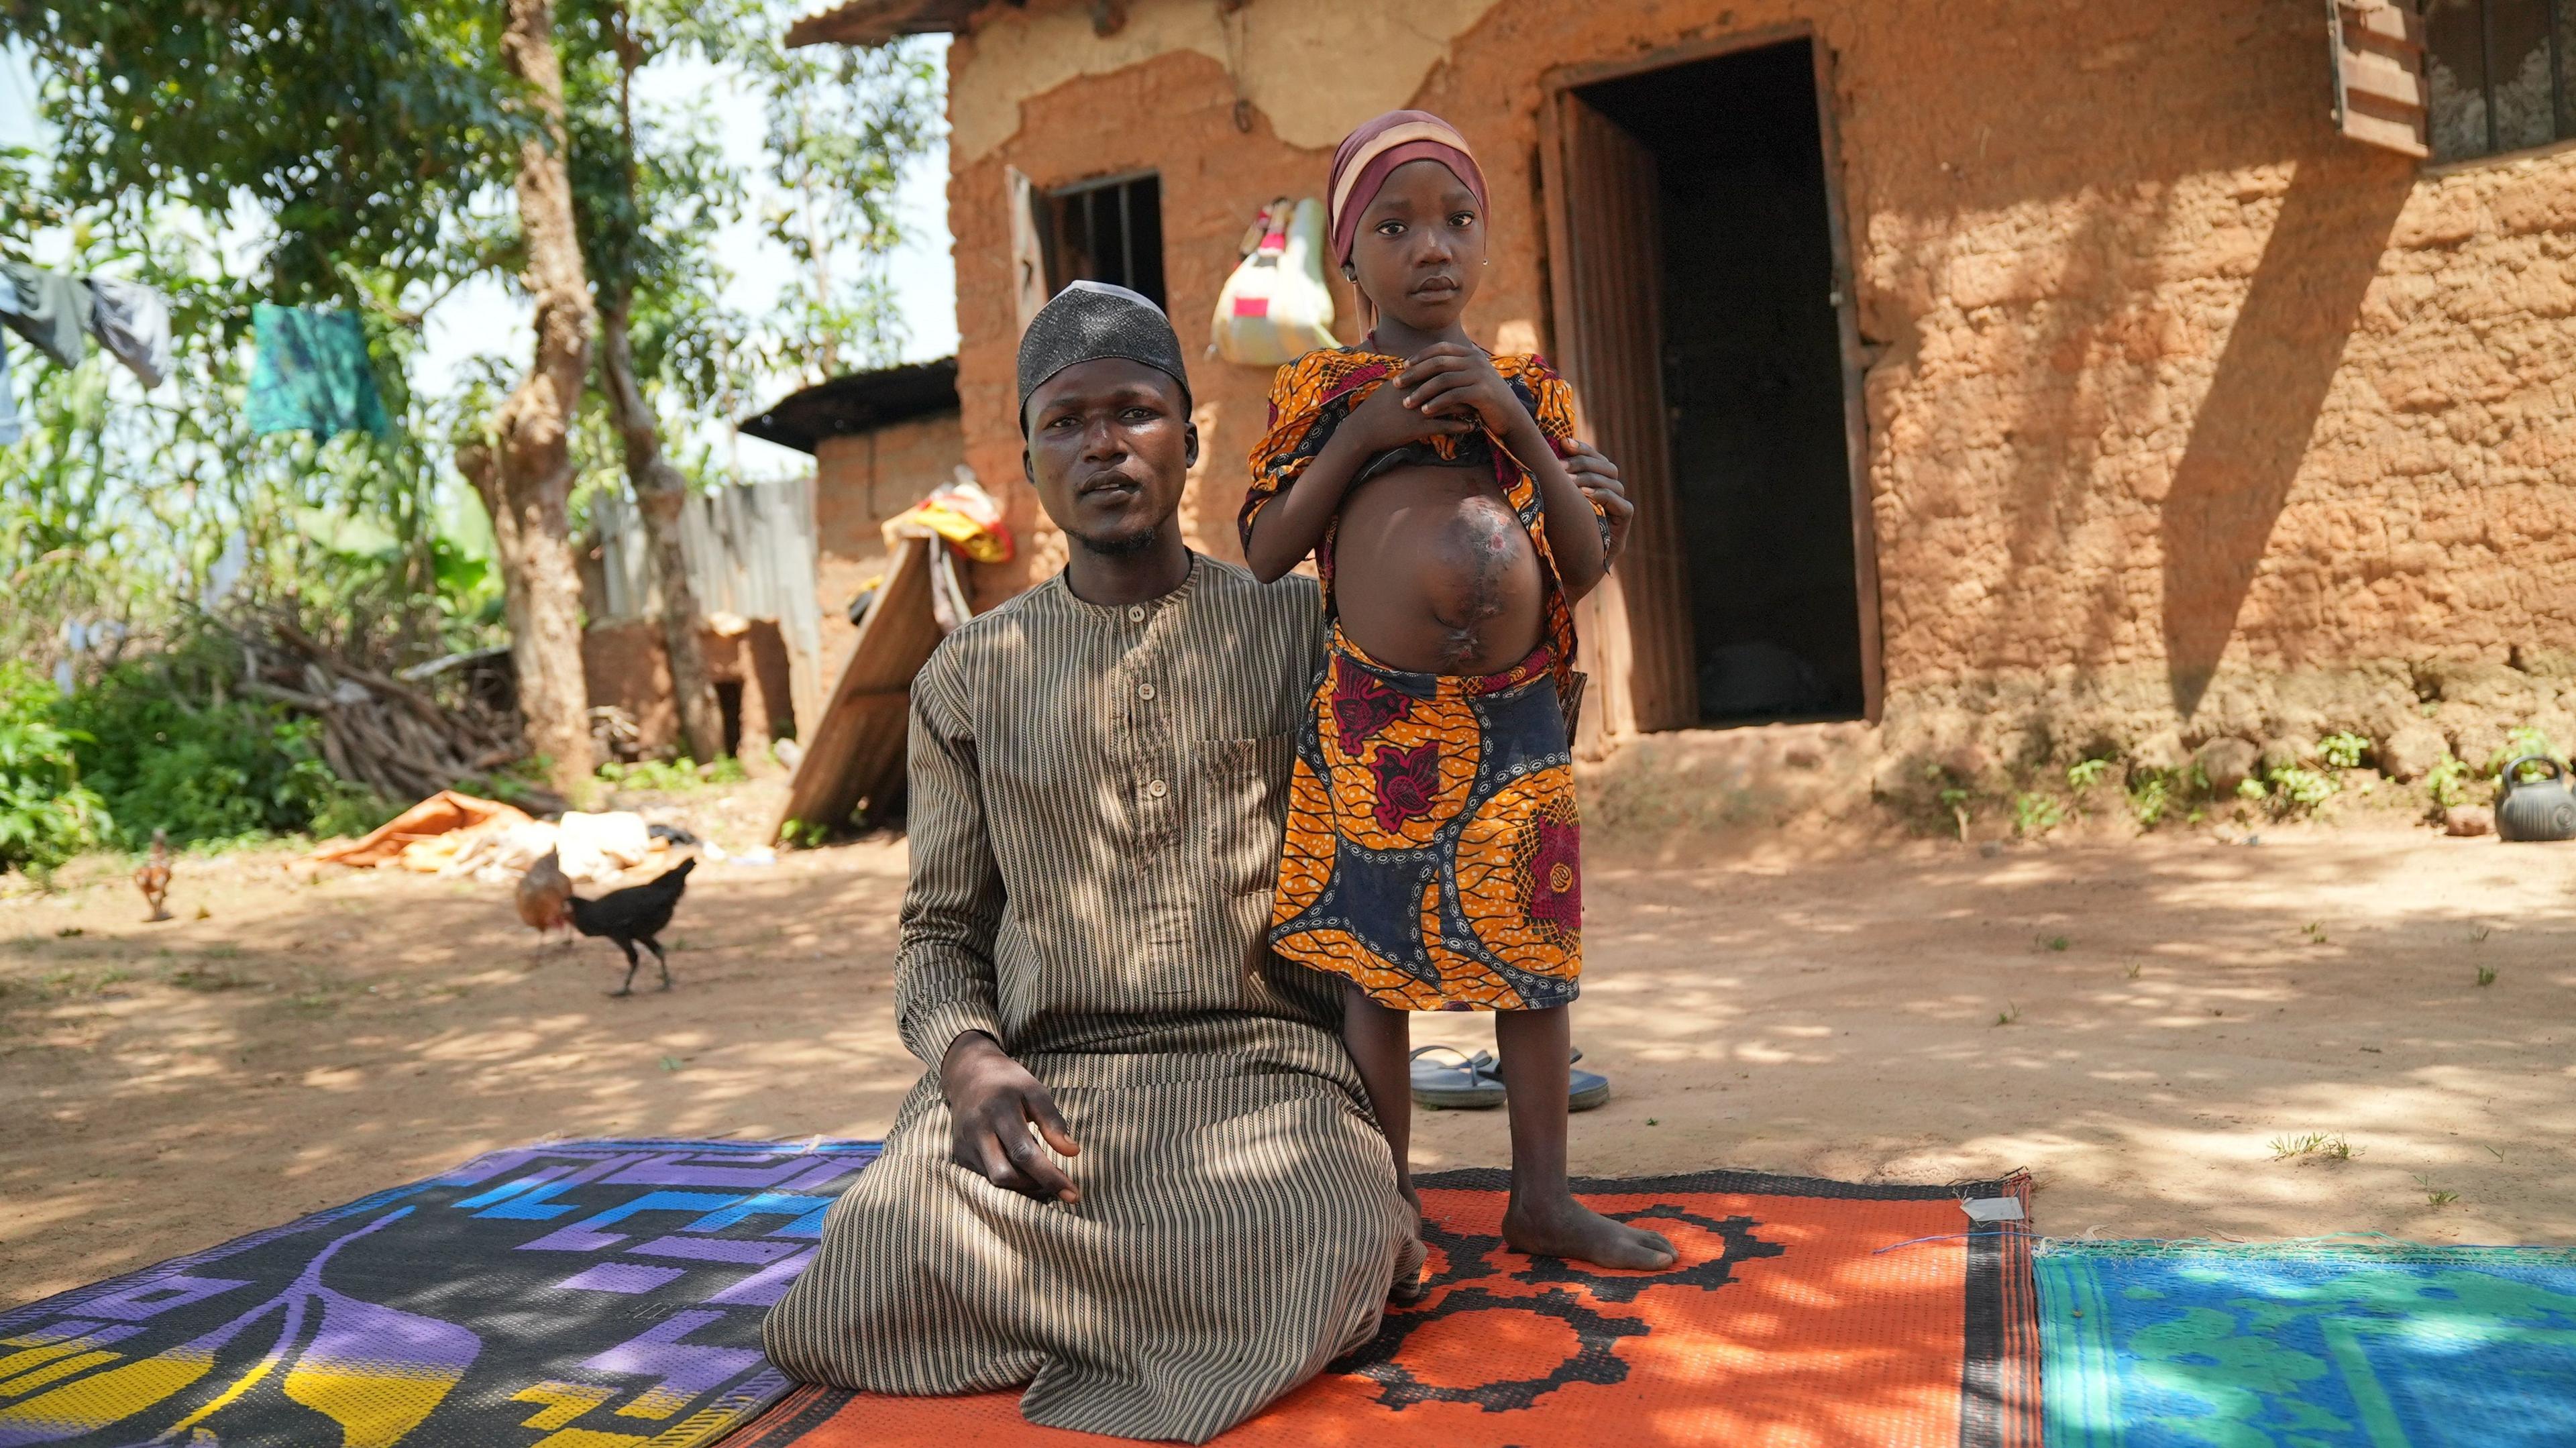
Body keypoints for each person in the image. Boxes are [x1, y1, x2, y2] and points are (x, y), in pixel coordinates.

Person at [1240, 111, 1677, 1272]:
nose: (1431, 245)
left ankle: (1542, 1199)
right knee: (1378, 981)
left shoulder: (1532, 388)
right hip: (1378, 725)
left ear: (1485, 244)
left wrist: (1521, 431)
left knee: (1531, 967)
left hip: (1517, 719)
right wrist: (1367, 435)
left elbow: (1582, 565)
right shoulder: (1322, 389)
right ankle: (1390, 1212)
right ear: (1349, 257)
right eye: (1395, 225)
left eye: (1457, 220)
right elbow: (1267, 548)